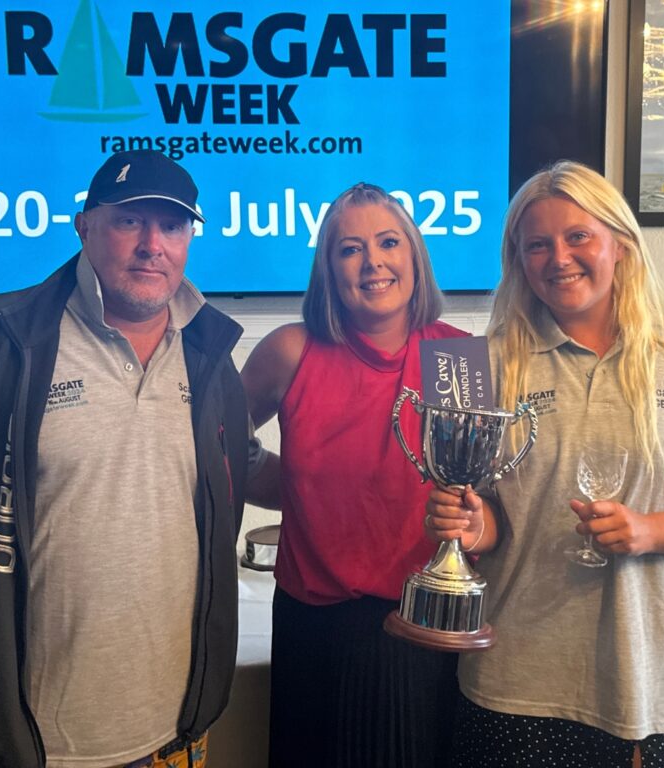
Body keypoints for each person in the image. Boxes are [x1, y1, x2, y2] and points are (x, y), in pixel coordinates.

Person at [0, 150, 250, 768]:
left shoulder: (210, 354)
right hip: (28, 739)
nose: (153, 245)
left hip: (175, 730)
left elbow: (240, 465)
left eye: (172, 226)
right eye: (128, 221)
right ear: (84, 226)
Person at [427, 160, 664, 768]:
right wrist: (474, 527)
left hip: (649, 687)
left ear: (620, 242)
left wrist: (648, 532)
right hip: (512, 682)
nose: (558, 257)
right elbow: (494, 521)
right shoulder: (481, 363)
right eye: (537, 244)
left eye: (578, 236)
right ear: (519, 260)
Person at [242, 182, 471, 768]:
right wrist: (295, 493)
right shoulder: (291, 350)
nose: (373, 262)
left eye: (389, 242)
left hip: (420, 625)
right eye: (350, 249)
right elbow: (217, 447)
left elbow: (486, 493)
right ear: (328, 269)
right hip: (311, 624)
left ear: (414, 255)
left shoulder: (460, 358)